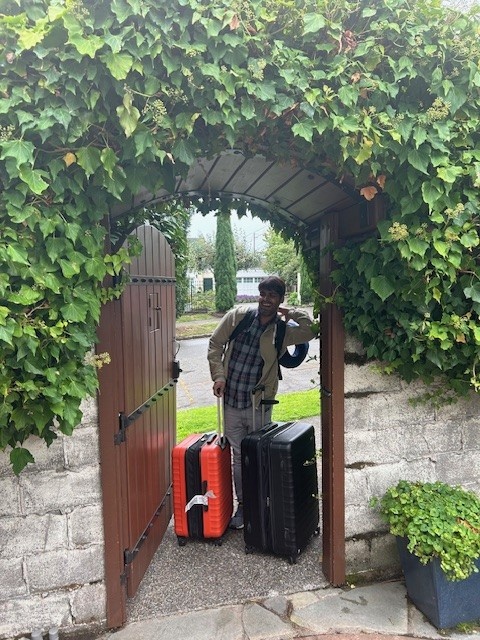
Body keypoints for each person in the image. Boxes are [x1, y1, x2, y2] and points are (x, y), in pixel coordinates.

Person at [207, 276, 315, 529]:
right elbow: (215, 344)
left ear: (279, 300)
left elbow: (311, 330)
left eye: (272, 296)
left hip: (258, 404)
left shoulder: (282, 331)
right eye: (263, 293)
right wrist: (219, 376)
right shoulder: (238, 317)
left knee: (258, 455)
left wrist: (291, 313)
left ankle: (262, 505)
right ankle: (244, 507)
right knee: (238, 457)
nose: (266, 299)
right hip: (231, 401)